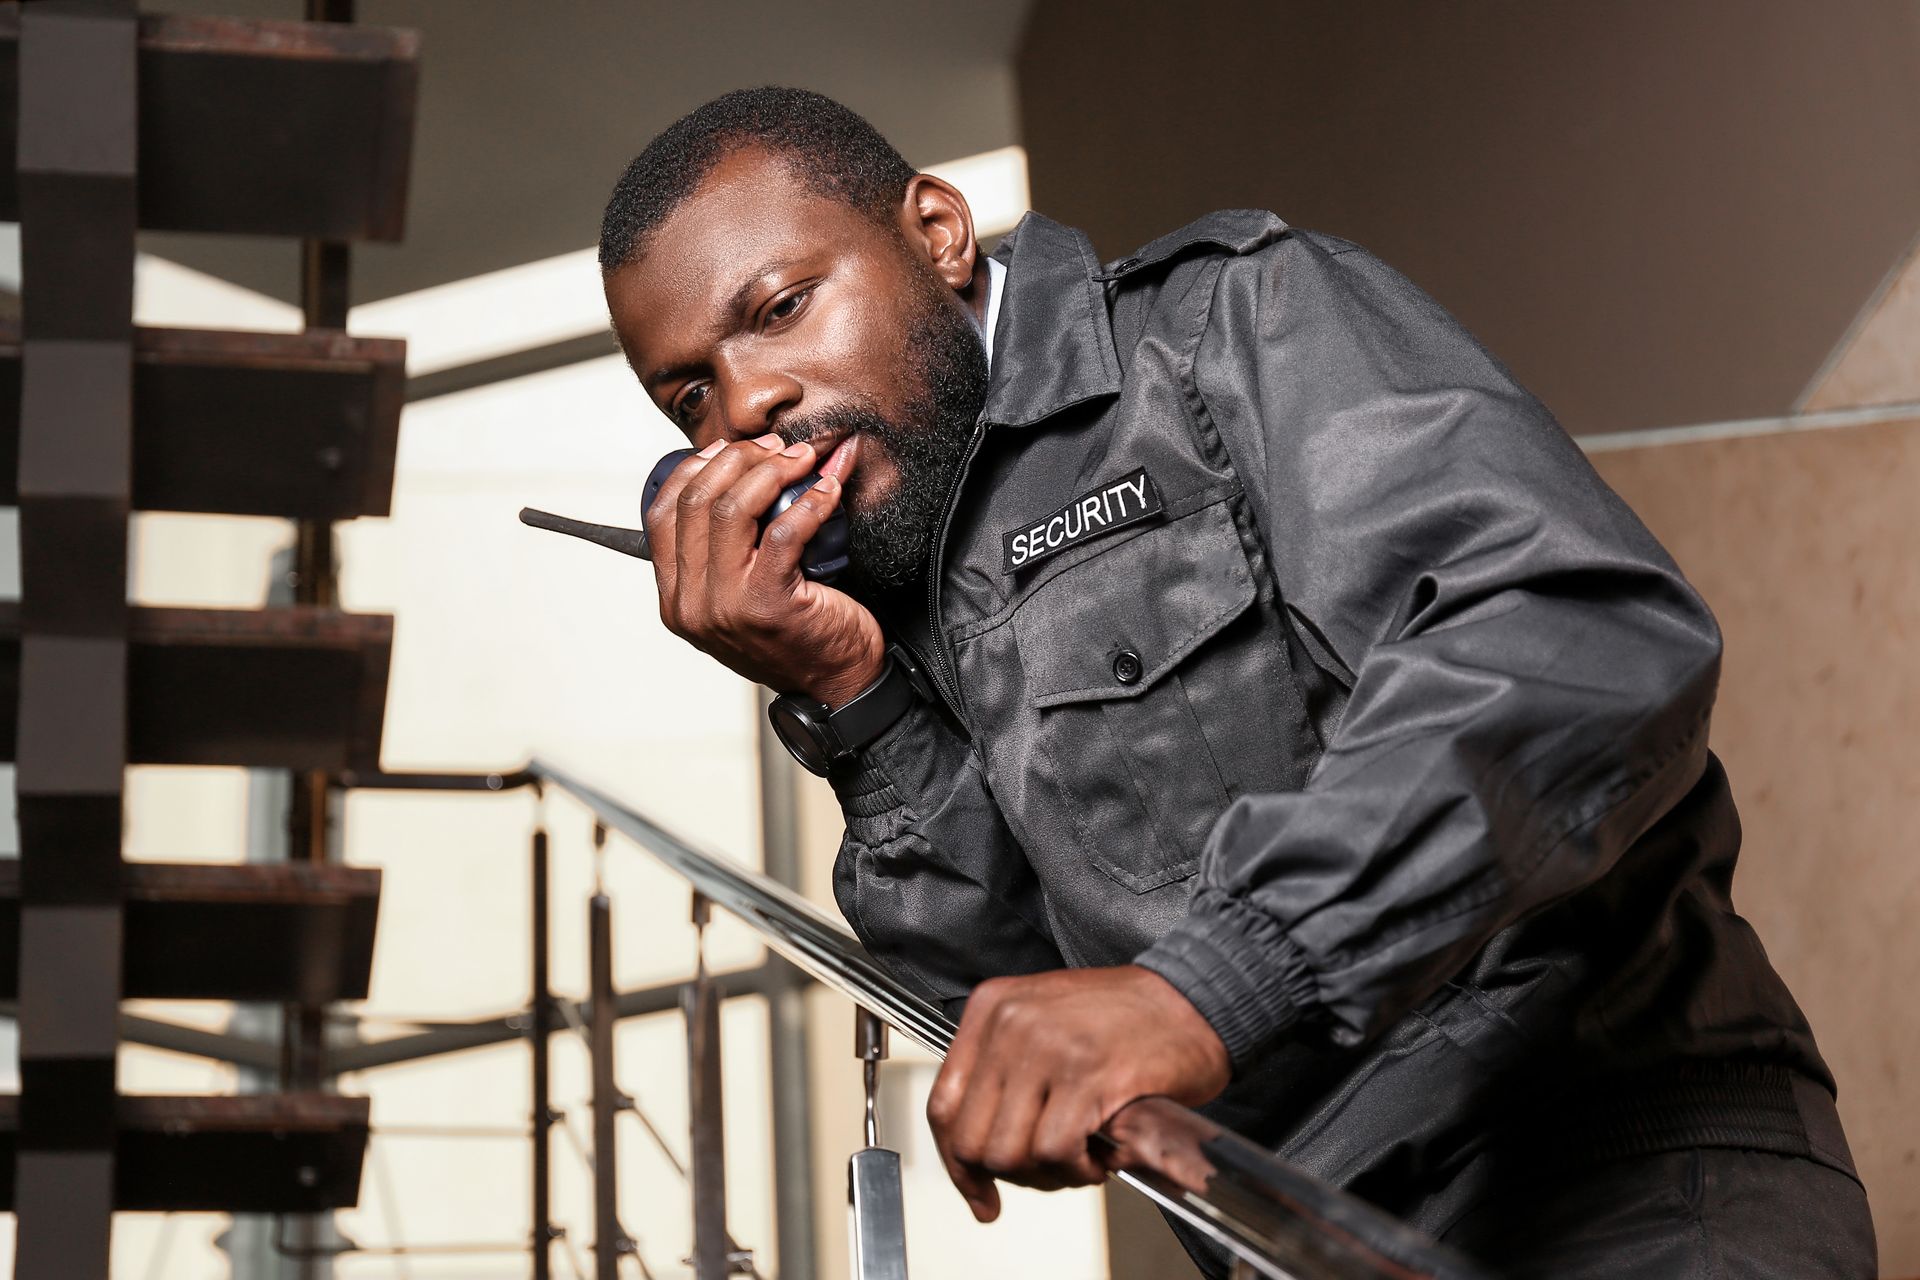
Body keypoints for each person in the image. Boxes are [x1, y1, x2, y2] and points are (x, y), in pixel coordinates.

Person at [595, 86, 1876, 1278]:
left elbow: (1574, 636)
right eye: (689, 392)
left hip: (1613, 1176)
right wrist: (857, 702)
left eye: (778, 309)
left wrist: (1219, 977)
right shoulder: (883, 579)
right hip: (1287, 1234)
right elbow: (1020, 1015)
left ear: (934, 230)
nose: (748, 402)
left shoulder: (1227, 329)